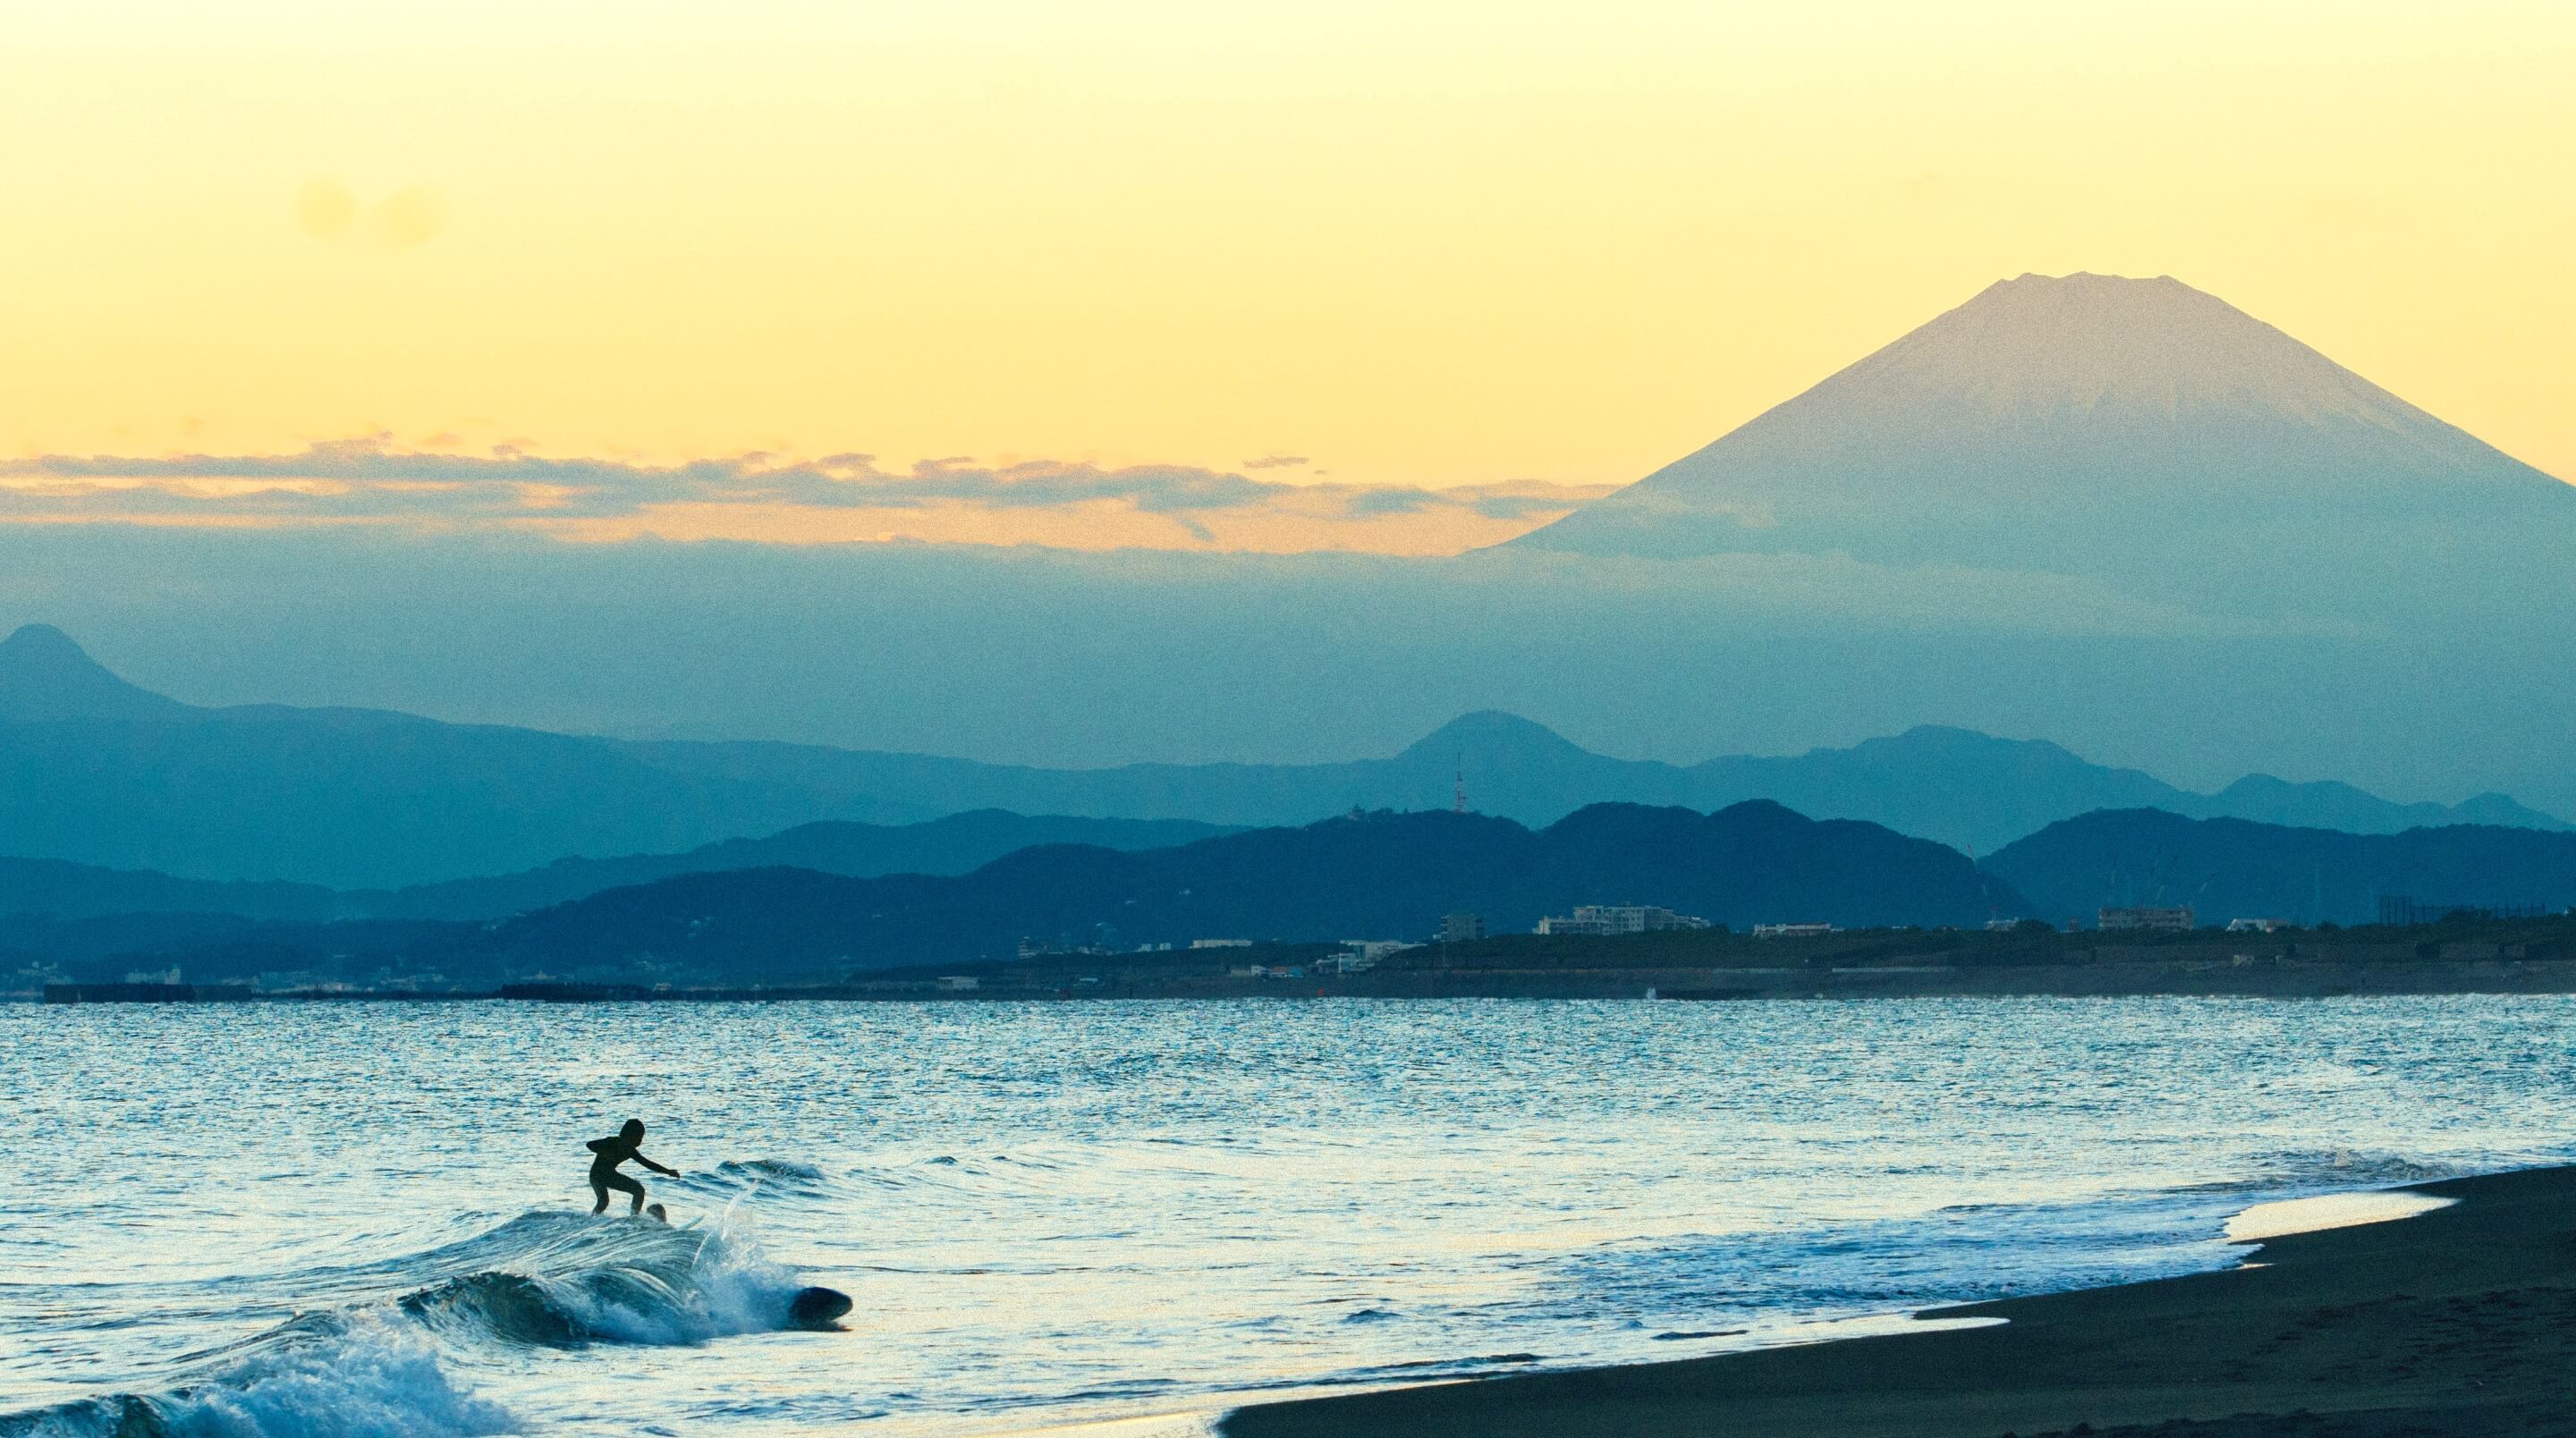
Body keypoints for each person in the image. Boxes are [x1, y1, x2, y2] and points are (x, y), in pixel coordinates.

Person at [586, 1119, 679, 1215]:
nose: (640, 1141)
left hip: (609, 1174)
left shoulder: (630, 1150)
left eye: (641, 1137)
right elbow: (590, 1144)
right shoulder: (613, 1141)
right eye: (638, 1137)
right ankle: (592, 1218)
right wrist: (605, 1152)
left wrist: (668, 1171)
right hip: (596, 1176)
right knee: (603, 1201)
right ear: (629, 1135)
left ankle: (634, 1216)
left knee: (638, 1190)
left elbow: (647, 1163)